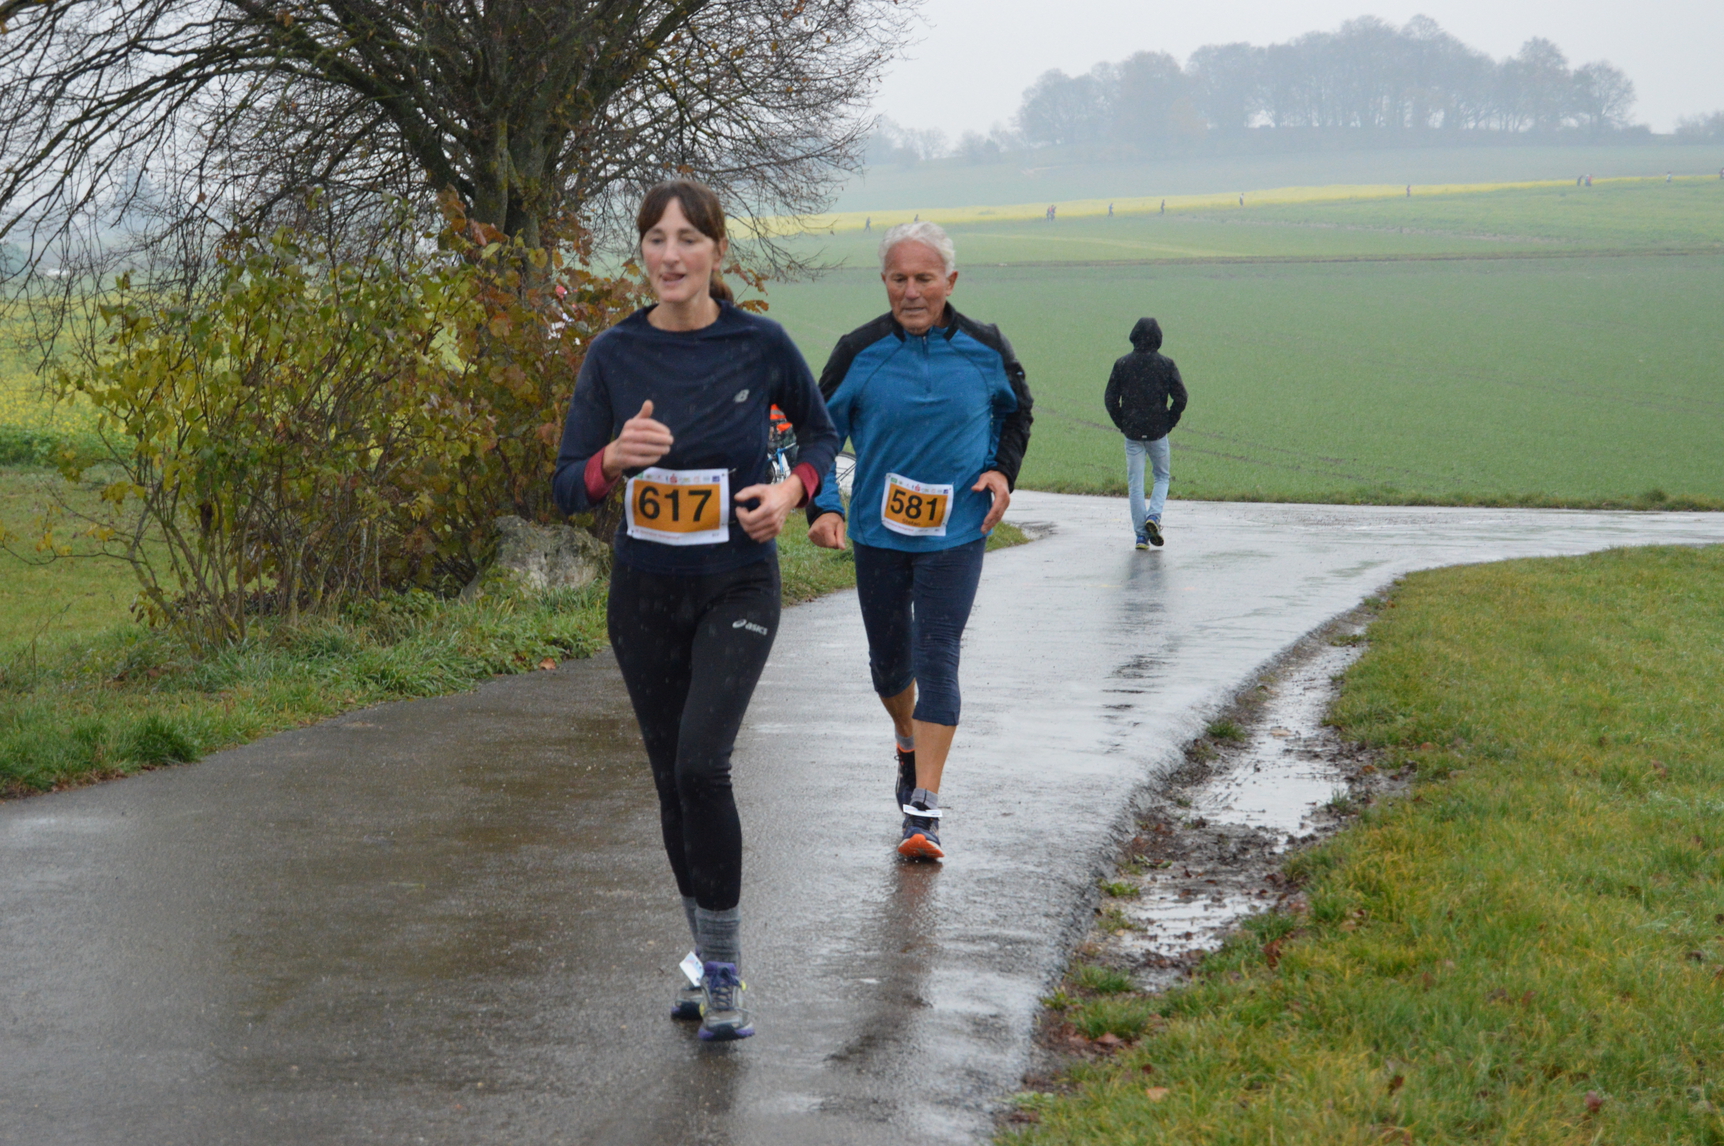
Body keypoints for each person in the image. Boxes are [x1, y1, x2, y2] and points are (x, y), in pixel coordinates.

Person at [552, 180, 839, 1042]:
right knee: (671, 779)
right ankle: (710, 960)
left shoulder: (760, 343)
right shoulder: (613, 354)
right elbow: (567, 485)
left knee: (702, 765)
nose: (670, 255)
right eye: (655, 239)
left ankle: (722, 976)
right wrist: (613, 458)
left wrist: (790, 492)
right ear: (640, 250)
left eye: (688, 239)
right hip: (645, 593)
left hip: (736, 584)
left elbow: (821, 436)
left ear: (718, 251)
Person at [806, 221, 1033, 861]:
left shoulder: (986, 348)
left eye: (924, 278)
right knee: (889, 663)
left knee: (938, 655)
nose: (911, 292)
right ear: (884, 282)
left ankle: (924, 809)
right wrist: (823, 506)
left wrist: (1002, 471)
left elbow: (1017, 409)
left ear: (949, 282)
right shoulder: (859, 351)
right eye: (899, 279)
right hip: (879, 533)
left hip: (957, 530)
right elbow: (819, 431)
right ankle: (906, 740)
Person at [1104, 317, 1187, 549]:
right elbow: (1181, 397)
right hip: (1157, 431)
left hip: (1132, 433)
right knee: (1162, 476)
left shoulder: (1122, 364)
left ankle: (1141, 536)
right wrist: (1168, 422)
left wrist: (1123, 423)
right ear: (1158, 338)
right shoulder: (1166, 365)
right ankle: (1154, 516)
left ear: (1134, 336)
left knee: (1135, 484)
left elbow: (1110, 399)